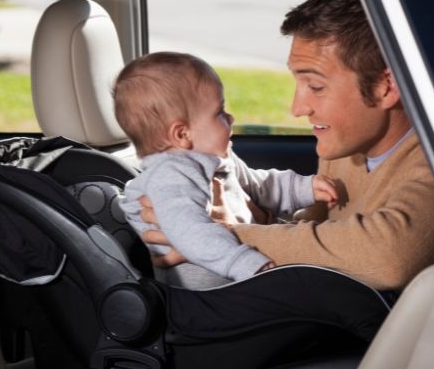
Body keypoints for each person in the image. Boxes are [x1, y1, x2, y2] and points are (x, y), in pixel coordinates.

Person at [141, 0, 434, 292]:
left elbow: (388, 259)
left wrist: (215, 237)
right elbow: (317, 237)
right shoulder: (347, 148)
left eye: (316, 87)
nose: (297, 108)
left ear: (385, 87)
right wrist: (253, 217)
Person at [115, 52, 339, 290]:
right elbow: (191, 231)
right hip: (211, 298)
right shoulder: (170, 175)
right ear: (182, 134)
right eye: (219, 112)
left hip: (238, 281)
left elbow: (259, 186)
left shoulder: (218, 159)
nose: (231, 117)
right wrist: (245, 262)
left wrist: (303, 187)